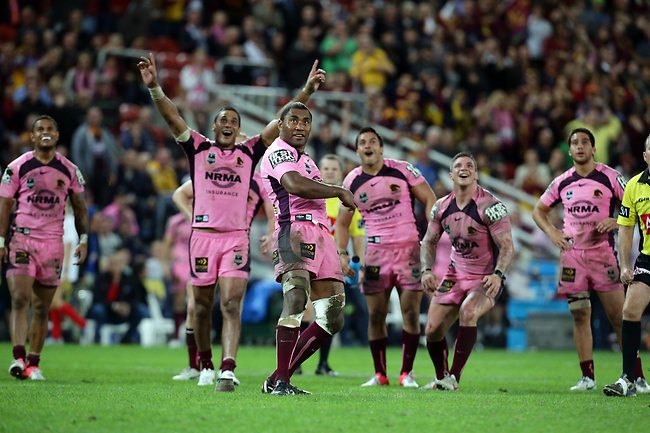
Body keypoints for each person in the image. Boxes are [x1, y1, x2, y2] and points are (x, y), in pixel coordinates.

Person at [137, 52, 324, 390]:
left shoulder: (250, 152)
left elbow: (281, 121)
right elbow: (173, 118)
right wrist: (155, 89)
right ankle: (205, 363)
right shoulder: (197, 149)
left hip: (236, 238)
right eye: (224, 120)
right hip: (203, 237)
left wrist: (307, 91)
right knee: (202, 305)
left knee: (231, 302)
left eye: (234, 122)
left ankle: (227, 367)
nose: (228, 125)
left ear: (239, 129)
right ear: (214, 125)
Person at [533, 128, 648, 392]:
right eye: (575, 143)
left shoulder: (611, 177)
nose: (580, 146)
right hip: (572, 257)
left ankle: (637, 377)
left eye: (585, 142)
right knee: (579, 314)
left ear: (593, 148)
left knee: (620, 317)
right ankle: (587, 377)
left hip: (603, 255)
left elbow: (629, 208)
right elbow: (539, 211)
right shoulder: (562, 181)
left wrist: (615, 221)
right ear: (570, 150)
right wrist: (552, 232)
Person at [260, 102, 356, 395]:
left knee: (333, 315)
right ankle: (283, 383)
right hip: (294, 231)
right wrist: (338, 189)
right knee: (297, 297)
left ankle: (277, 378)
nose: (300, 126)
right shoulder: (278, 152)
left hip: (321, 234)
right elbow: (293, 185)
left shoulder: (308, 160)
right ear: (281, 125)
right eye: (294, 120)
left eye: (305, 121)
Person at [335, 127, 436, 388]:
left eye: (372, 142)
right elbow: (342, 224)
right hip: (376, 255)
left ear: (381, 148)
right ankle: (380, 374)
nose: (367, 146)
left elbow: (430, 200)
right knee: (376, 315)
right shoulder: (351, 182)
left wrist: (430, 237)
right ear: (357, 150)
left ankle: (407, 373)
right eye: (362, 143)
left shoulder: (402, 170)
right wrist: (343, 253)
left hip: (409, 250)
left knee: (411, 313)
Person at [0, 114, 88, 380]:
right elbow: (4, 205)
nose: (46, 132)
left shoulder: (70, 170)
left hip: (52, 242)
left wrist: (84, 239)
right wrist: (1, 241)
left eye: (50, 129)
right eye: (40, 129)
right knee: (19, 298)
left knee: (41, 307)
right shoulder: (16, 167)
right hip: (22, 239)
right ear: (32, 137)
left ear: (58, 136)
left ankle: (34, 363)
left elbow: (81, 209)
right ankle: (17, 358)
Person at [419, 152, 514, 391]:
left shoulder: (491, 206)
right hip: (454, 274)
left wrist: (498, 274)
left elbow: (506, 245)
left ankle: (454, 378)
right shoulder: (441, 207)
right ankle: (442, 378)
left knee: (469, 312)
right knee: (431, 330)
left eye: (470, 165)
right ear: (451, 174)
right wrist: (427, 270)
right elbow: (429, 241)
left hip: (485, 277)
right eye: (458, 166)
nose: (464, 168)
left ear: (476, 174)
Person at [169, 170, 274, 381]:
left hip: (236, 245)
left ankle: (227, 367)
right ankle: (197, 365)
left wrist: (271, 233)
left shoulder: (257, 181)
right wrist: (192, 217)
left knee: (232, 306)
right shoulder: (212, 173)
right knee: (195, 306)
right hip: (205, 243)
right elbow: (179, 194)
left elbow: (272, 211)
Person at [603, 133, 650, 397]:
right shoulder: (634, 185)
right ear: (645, 155)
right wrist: (624, 265)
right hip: (648, 259)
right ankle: (628, 379)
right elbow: (626, 228)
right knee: (630, 310)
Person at [311, 154, 365, 373]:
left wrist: (358, 265)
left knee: (330, 312)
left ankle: (322, 363)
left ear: (341, 173)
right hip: (311, 260)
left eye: (334, 168)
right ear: (318, 171)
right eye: (326, 168)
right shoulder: (312, 197)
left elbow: (357, 236)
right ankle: (296, 363)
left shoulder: (347, 201)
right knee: (304, 310)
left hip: (335, 263)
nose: (330, 172)